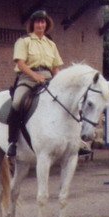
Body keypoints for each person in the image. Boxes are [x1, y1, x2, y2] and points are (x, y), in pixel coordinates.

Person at [7, 10, 64, 158]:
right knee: (17, 102)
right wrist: (35, 76)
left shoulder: (51, 44)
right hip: (28, 78)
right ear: (32, 24)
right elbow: (20, 64)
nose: (40, 24)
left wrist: (59, 80)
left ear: (46, 24)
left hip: (48, 78)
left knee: (65, 100)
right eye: (38, 22)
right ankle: (12, 141)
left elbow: (55, 67)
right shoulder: (24, 41)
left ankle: (70, 140)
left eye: (43, 21)